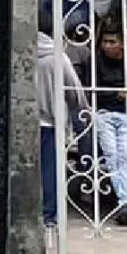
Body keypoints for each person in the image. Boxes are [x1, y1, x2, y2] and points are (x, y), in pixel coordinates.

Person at [86, 21, 127, 224]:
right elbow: (93, 94)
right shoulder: (95, 60)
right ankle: (126, 203)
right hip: (104, 114)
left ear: (122, 44)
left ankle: (125, 204)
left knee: (126, 156)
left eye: (112, 41)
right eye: (105, 41)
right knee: (112, 156)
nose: (107, 45)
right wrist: (120, 92)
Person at [36, 14, 87, 230]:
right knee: (50, 170)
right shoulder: (57, 57)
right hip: (51, 122)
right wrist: (83, 110)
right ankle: (48, 216)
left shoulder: (18, 53)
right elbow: (75, 92)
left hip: (24, 122)